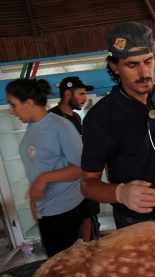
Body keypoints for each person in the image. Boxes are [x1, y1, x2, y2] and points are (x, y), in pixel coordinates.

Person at [80, 21, 155, 229]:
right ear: (115, 67)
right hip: (133, 220)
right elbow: (87, 184)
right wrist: (119, 193)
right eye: (132, 65)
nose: (144, 73)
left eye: (149, 61)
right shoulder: (101, 117)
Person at [5, 78, 86, 257]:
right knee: (55, 264)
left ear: (29, 103)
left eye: (13, 104)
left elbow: (82, 168)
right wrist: (34, 202)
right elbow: (39, 165)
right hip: (46, 209)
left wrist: (44, 179)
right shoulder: (33, 127)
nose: (11, 111)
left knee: (64, 267)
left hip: (65, 208)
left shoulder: (60, 126)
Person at [50, 77, 101, 241]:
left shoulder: (76, 117)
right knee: (72, 224)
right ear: (67, 93)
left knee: (87, 218)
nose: (85, 98)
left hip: (82, 179)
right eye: (81, 94)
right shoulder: (51, 119)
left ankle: (84, 254)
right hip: (64, 184)